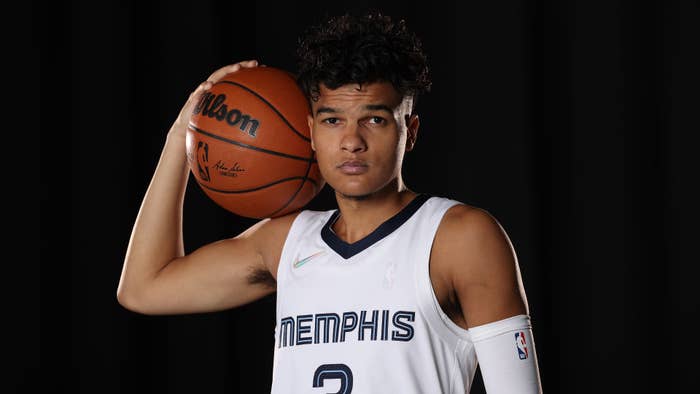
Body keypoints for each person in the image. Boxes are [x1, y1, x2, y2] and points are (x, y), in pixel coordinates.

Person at [118, 12, 543, 394]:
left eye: (374, 120)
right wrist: (181, 136)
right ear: (310, 130)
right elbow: (144, 288)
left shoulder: (460, 238)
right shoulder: (286, 240)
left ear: (409, 132)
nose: (351, 142)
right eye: (332, 120)